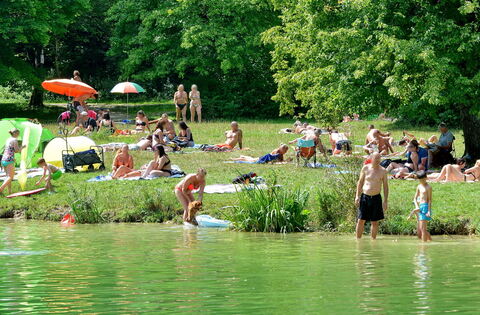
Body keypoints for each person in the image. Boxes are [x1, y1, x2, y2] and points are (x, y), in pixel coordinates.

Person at [355, 152, 389, 240]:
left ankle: (373, 241)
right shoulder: (365, 168)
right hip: (365, 197)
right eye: (376, 159)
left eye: (379, 159)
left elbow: (385, 186)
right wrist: (357, 196)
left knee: (374, 222)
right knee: (361, 220)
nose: (377, 161)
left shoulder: (383, 171)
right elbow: (360, 182)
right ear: (371, 159)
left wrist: (385, 201)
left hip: (376, 197)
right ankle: (358, 240)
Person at [408, 171, 432, 242]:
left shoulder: (428, 187)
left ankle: (423, 245)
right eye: (420, 180)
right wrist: (416, 206)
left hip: (425, 207)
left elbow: (430, 200)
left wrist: (428, 211)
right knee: (421, 229)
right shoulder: (419, 186)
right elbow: (415, 198)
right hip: (419, 206)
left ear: (426, 178)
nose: (422, 181)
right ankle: (430, 240)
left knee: (423, 229)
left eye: (423, 179)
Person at [0, 129, 25, 195]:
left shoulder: (8, 139)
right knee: (10, 177)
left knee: (8, 177)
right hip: (9, 159)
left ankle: (9, 191)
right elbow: (16, 150)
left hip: (3, 159)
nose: (18, 135)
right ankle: (1, 189)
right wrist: (22, 147)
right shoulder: (14, 140)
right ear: (15, 133)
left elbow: (9, 150)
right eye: (18, 133)